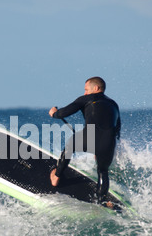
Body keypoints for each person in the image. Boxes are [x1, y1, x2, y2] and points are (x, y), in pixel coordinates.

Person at [49, 76, 121, 207]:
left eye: (86, 89)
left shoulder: (86, 99)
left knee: (69, 147)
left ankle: (56, 177)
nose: (85, 93)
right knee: (103, 171)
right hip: (108, 143)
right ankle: (101, 201)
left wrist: (55, 113)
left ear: (96, 88)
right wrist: (101, 149)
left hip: (90, 136)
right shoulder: (114, 104)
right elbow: (117, 128)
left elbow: (65, 112)